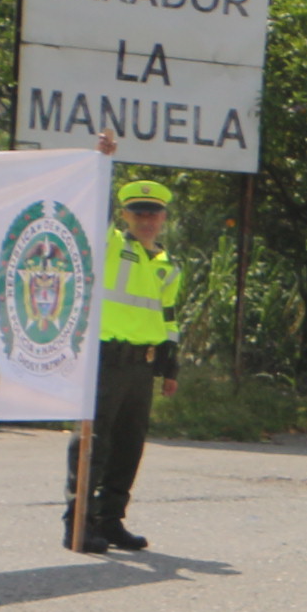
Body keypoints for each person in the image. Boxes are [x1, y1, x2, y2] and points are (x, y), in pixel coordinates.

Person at [65, 172, 181, 552]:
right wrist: (102, 162)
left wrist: (169, 364)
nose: (147, 220)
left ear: (164, 218)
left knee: (129, 445)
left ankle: (110, 519)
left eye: (154, 214)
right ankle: (78, 522)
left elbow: (168, 317)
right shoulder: (111, 245)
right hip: (107, 358)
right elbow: (89, 212)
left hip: (142, 364)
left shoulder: (167, 264)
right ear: (124, 217)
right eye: (138, 214)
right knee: (94, 440)